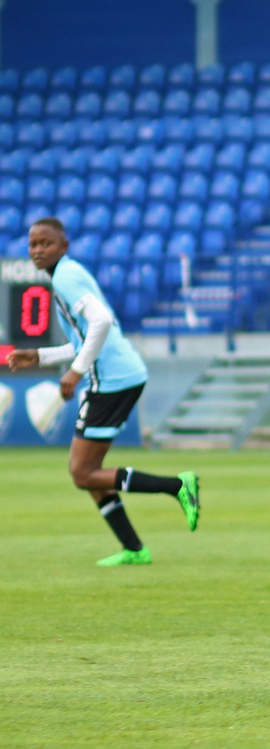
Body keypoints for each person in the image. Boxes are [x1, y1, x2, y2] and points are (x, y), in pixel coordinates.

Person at [6, 218, 200, 566]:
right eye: (33, 244)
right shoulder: (67, 274)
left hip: (113, 380)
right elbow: (84, 339)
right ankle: (134, 549)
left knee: (82, 473)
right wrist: (40, 356)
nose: (38, 250)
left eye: (46, 243)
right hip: (119, 376)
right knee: (89, 473)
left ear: (63, 246)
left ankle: (177, 486)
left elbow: (102, 322)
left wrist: (76, 372)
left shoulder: (65, 278)